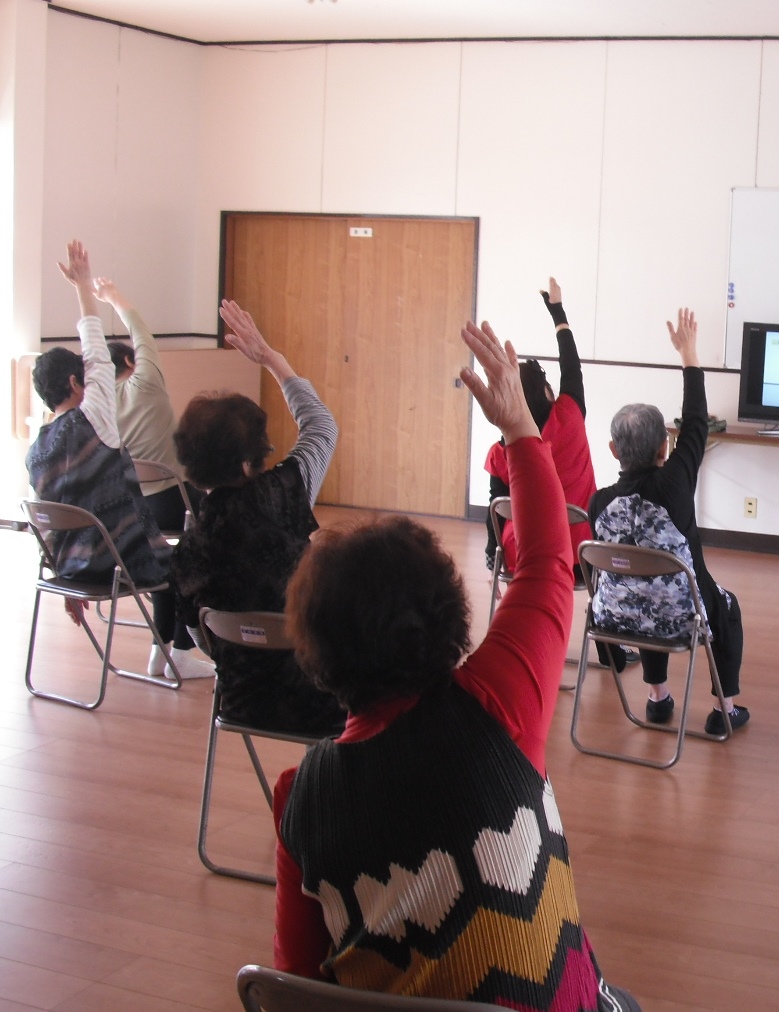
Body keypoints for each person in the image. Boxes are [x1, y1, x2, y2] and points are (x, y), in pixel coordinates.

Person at [272, 320, 640, 1012]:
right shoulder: (495, 709)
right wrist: (520, 431)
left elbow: (296, 982)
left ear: (316, 653)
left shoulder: (300, 797)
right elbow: (548, 564)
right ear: (448, 611)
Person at [170, 300, 346, 735]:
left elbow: (202, 638)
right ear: (252, 460)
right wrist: (272, 359)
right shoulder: (287, 489)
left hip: (241, 702)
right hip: (327, 695)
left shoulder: (190, 545)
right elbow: (321, 426)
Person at [588, 308, 749, 735]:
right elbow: (696, 422)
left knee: (643, 585)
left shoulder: (598, 504)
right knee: (724, 606)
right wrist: (689, 354)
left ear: (612, 449)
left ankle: (658, 700)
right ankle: (724, 711)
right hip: (683, 615)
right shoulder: (675, 486)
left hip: (618, 621)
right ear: (666, 446)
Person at [27, 241, 175, 654]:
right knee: (191, 566)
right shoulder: (94, 421)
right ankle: (174, 653)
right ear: (77, 384)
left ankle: (168, 655)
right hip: (126, 560)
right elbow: (96, 353)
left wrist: (67, 583)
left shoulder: (36, 451)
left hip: (75, 568)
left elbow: (48, 524)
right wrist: (84, 286)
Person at [94, 274, 213, 679]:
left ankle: (159, 652)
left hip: (130, 511)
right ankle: (181, 651)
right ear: (130, 362)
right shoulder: (146, 384)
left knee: (166, 566)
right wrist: (113, 297)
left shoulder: (98, 408)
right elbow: (141, 331)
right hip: (171, 501)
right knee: (196, 563)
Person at [483, 277, 597, 576]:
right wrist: (558, 313)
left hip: (521, 555)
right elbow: (572, 365)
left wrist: (491, 553)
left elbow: (494, 508)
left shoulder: (503, 450)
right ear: (546, 391)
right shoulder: (570, 415)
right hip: (579, 554)